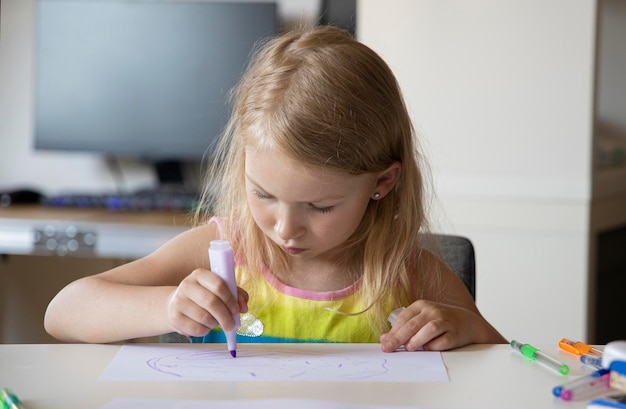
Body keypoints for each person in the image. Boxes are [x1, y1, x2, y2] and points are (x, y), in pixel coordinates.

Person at [44, 25, 506, 351]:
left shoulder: (403, 270)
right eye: (263, 194)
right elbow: (63, 312)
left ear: (382, 183)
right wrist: (167, 305)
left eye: (320, 206)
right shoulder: (226, 247)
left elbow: (502, 358)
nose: (285, 229)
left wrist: (465, 328)